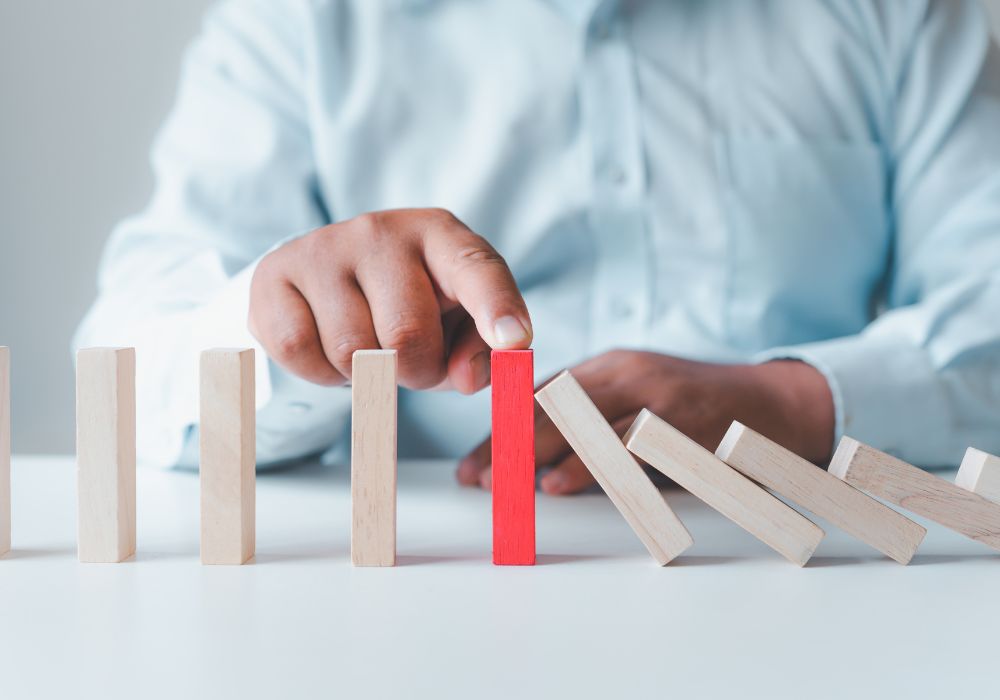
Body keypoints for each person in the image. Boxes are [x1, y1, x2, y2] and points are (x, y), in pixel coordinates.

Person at [75, 0, 1000, 495]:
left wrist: (790, 402)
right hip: (414, 602)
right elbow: (125, 365)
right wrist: (285, 324)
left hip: (806, 568)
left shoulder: (900, 11)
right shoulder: (295, 23)